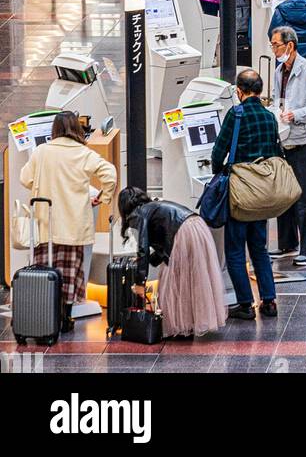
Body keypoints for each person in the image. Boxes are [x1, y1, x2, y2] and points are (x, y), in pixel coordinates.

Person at [20, 111, 117, 334]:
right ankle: (66, 316)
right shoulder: (83, 153)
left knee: (47, 269)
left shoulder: (41, 151)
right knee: (70, 272)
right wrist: (103, 197)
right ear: (77, 129)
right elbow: (109, 173)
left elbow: (25, 178)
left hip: (47, 224)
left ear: (54, 130)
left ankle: (45, 316)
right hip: (74, 225)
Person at [211, 68, 281, 320]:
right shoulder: (269, 116)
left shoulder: (236, 114)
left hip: (240, 191)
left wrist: (217, 170)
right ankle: (269, 300)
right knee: (259, 247)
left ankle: (244, 302)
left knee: (235, 249)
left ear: (239, 91)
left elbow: (219, 151)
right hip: (262, 191)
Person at [117, 186, 226, 338]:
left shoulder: (139, 214)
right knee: (190, 279)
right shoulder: (153, 206)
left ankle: (180, 325)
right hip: (196, 225)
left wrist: (140, 283)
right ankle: (189, 323)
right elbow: (164, 240)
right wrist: (149, 260)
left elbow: (143, 248)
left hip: (183, 231)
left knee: (173, 282)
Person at [269, 25, 306, 267]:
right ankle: (287, 243)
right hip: (284, 138)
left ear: (290, 46)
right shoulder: (278, 71)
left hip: (304, 139)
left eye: (276, 45)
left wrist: (296, 114)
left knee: (304, 195)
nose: (273, 50)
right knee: (284, 193)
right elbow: (276, 99)